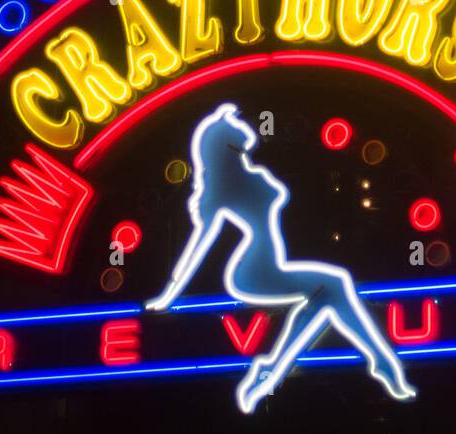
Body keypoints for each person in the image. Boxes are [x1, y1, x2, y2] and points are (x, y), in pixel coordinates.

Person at [147, 102, 417, 413]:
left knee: (325, 296)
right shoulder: (221, 190)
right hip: (252, 270)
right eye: (235, 125)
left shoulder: (250, 172)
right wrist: (169, 294)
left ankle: (273, 370)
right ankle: (379, 364)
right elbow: (200, 244)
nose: (244, 127)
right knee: (334, 285)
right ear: (223, 140)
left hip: (273, 264)